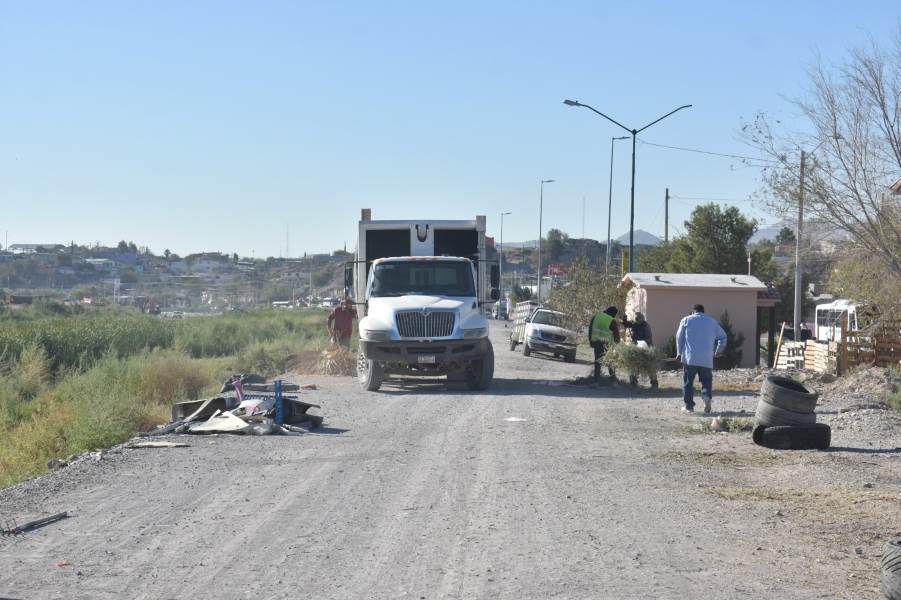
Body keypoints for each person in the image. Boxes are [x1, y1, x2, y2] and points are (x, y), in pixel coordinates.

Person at [675, 304, 727, 414]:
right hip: (707, 359)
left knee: (688, 382)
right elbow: (723, 336)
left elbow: (679, 337)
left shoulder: (686, 320)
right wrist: (719, 350)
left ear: (693, 311)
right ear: (703, 312)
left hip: (690, 358)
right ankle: (706, 397)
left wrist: (679, 353)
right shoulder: (712, 322)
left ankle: (689, 407)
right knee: (706, 381)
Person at [622, 312, 658, 389]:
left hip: (646, 348)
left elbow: (648, 338)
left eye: (638, 320)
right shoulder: (635, 324)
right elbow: (627, 325)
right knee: (633, 364)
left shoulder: (646, 326)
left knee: (650, 365)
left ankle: (654, 382)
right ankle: (633, 381)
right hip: (635, 347)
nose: (636, 322)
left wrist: (639, 342)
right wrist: (624, 320)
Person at [589, 306, 620, 383]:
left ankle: (596, 380)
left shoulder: (596, 317)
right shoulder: (611, 320)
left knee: (598, 361)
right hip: (607, 344)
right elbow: (616, 334)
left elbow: (590, 329)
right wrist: (618, 344)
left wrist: (591, 341)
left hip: (596, 342)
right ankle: (613, 379)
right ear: (613, 314)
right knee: (610, 361)